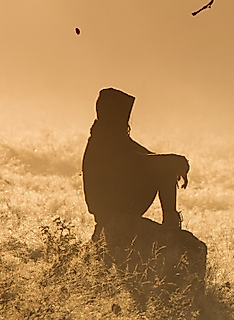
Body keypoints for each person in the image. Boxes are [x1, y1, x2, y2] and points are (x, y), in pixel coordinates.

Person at [82, 88, 206, 304]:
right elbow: (142, 161)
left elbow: (149, 157)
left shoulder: (115, 139)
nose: (127, 122)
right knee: (193, 248)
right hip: (115, 228)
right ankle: (189, 307)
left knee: (164, 168)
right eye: (123, 116)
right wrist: (174, 162)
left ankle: (170, 227)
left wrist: (170, 163)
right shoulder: (105, 143)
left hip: (127, 223)